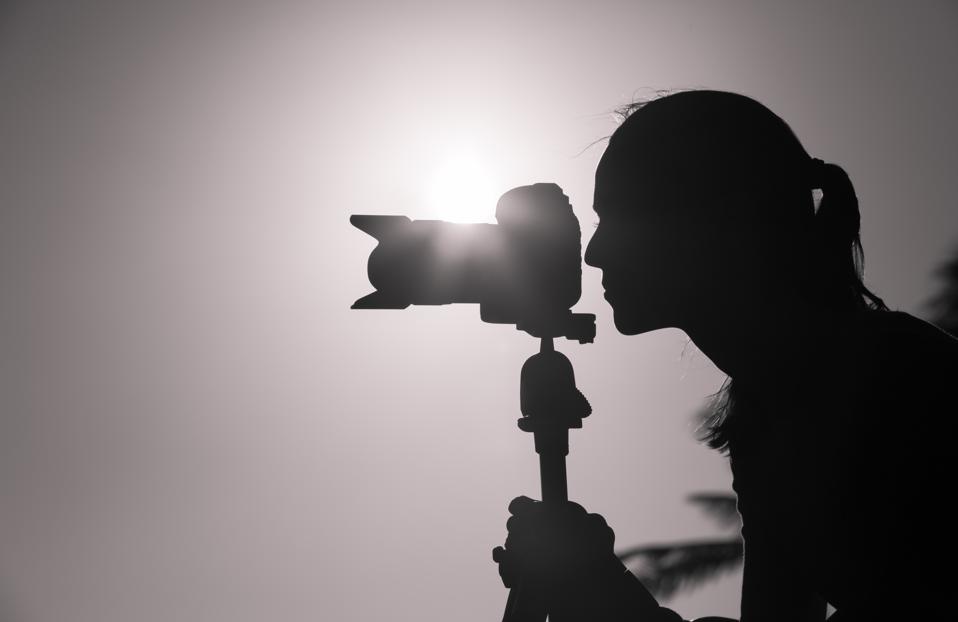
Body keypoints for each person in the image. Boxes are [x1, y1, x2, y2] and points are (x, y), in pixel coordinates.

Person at [492, 90, 958, 621]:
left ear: (711, 222)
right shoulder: (770, 419)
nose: (595, 253)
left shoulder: (897, 387)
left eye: (616, 217)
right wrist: (596, 582)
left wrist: (597, 585)